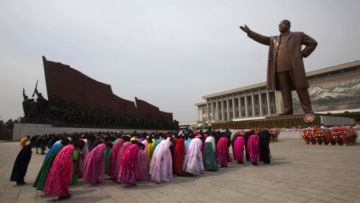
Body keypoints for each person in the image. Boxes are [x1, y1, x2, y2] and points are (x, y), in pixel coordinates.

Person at [239, 20, 318, 115]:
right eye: (279, 25)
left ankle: (308, 110)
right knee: (284, 90)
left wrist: (302, 54)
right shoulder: (275, 39)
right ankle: (287, 110)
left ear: (288, 25)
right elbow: (263, 39)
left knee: (301, 88)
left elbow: (313, 43)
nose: (280, 26)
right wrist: (250, 32)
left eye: (282, 24)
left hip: (294, 67)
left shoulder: (298, 35)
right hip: (279, 68)